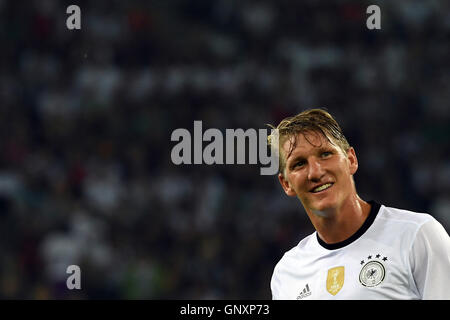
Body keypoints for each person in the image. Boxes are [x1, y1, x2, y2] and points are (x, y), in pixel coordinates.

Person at [267, 108, 450, 300]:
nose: (316, 172)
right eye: (299, 164)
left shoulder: (416, 235)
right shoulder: (287, 272)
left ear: (351, 160)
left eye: (325, 154)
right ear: (286, 184)